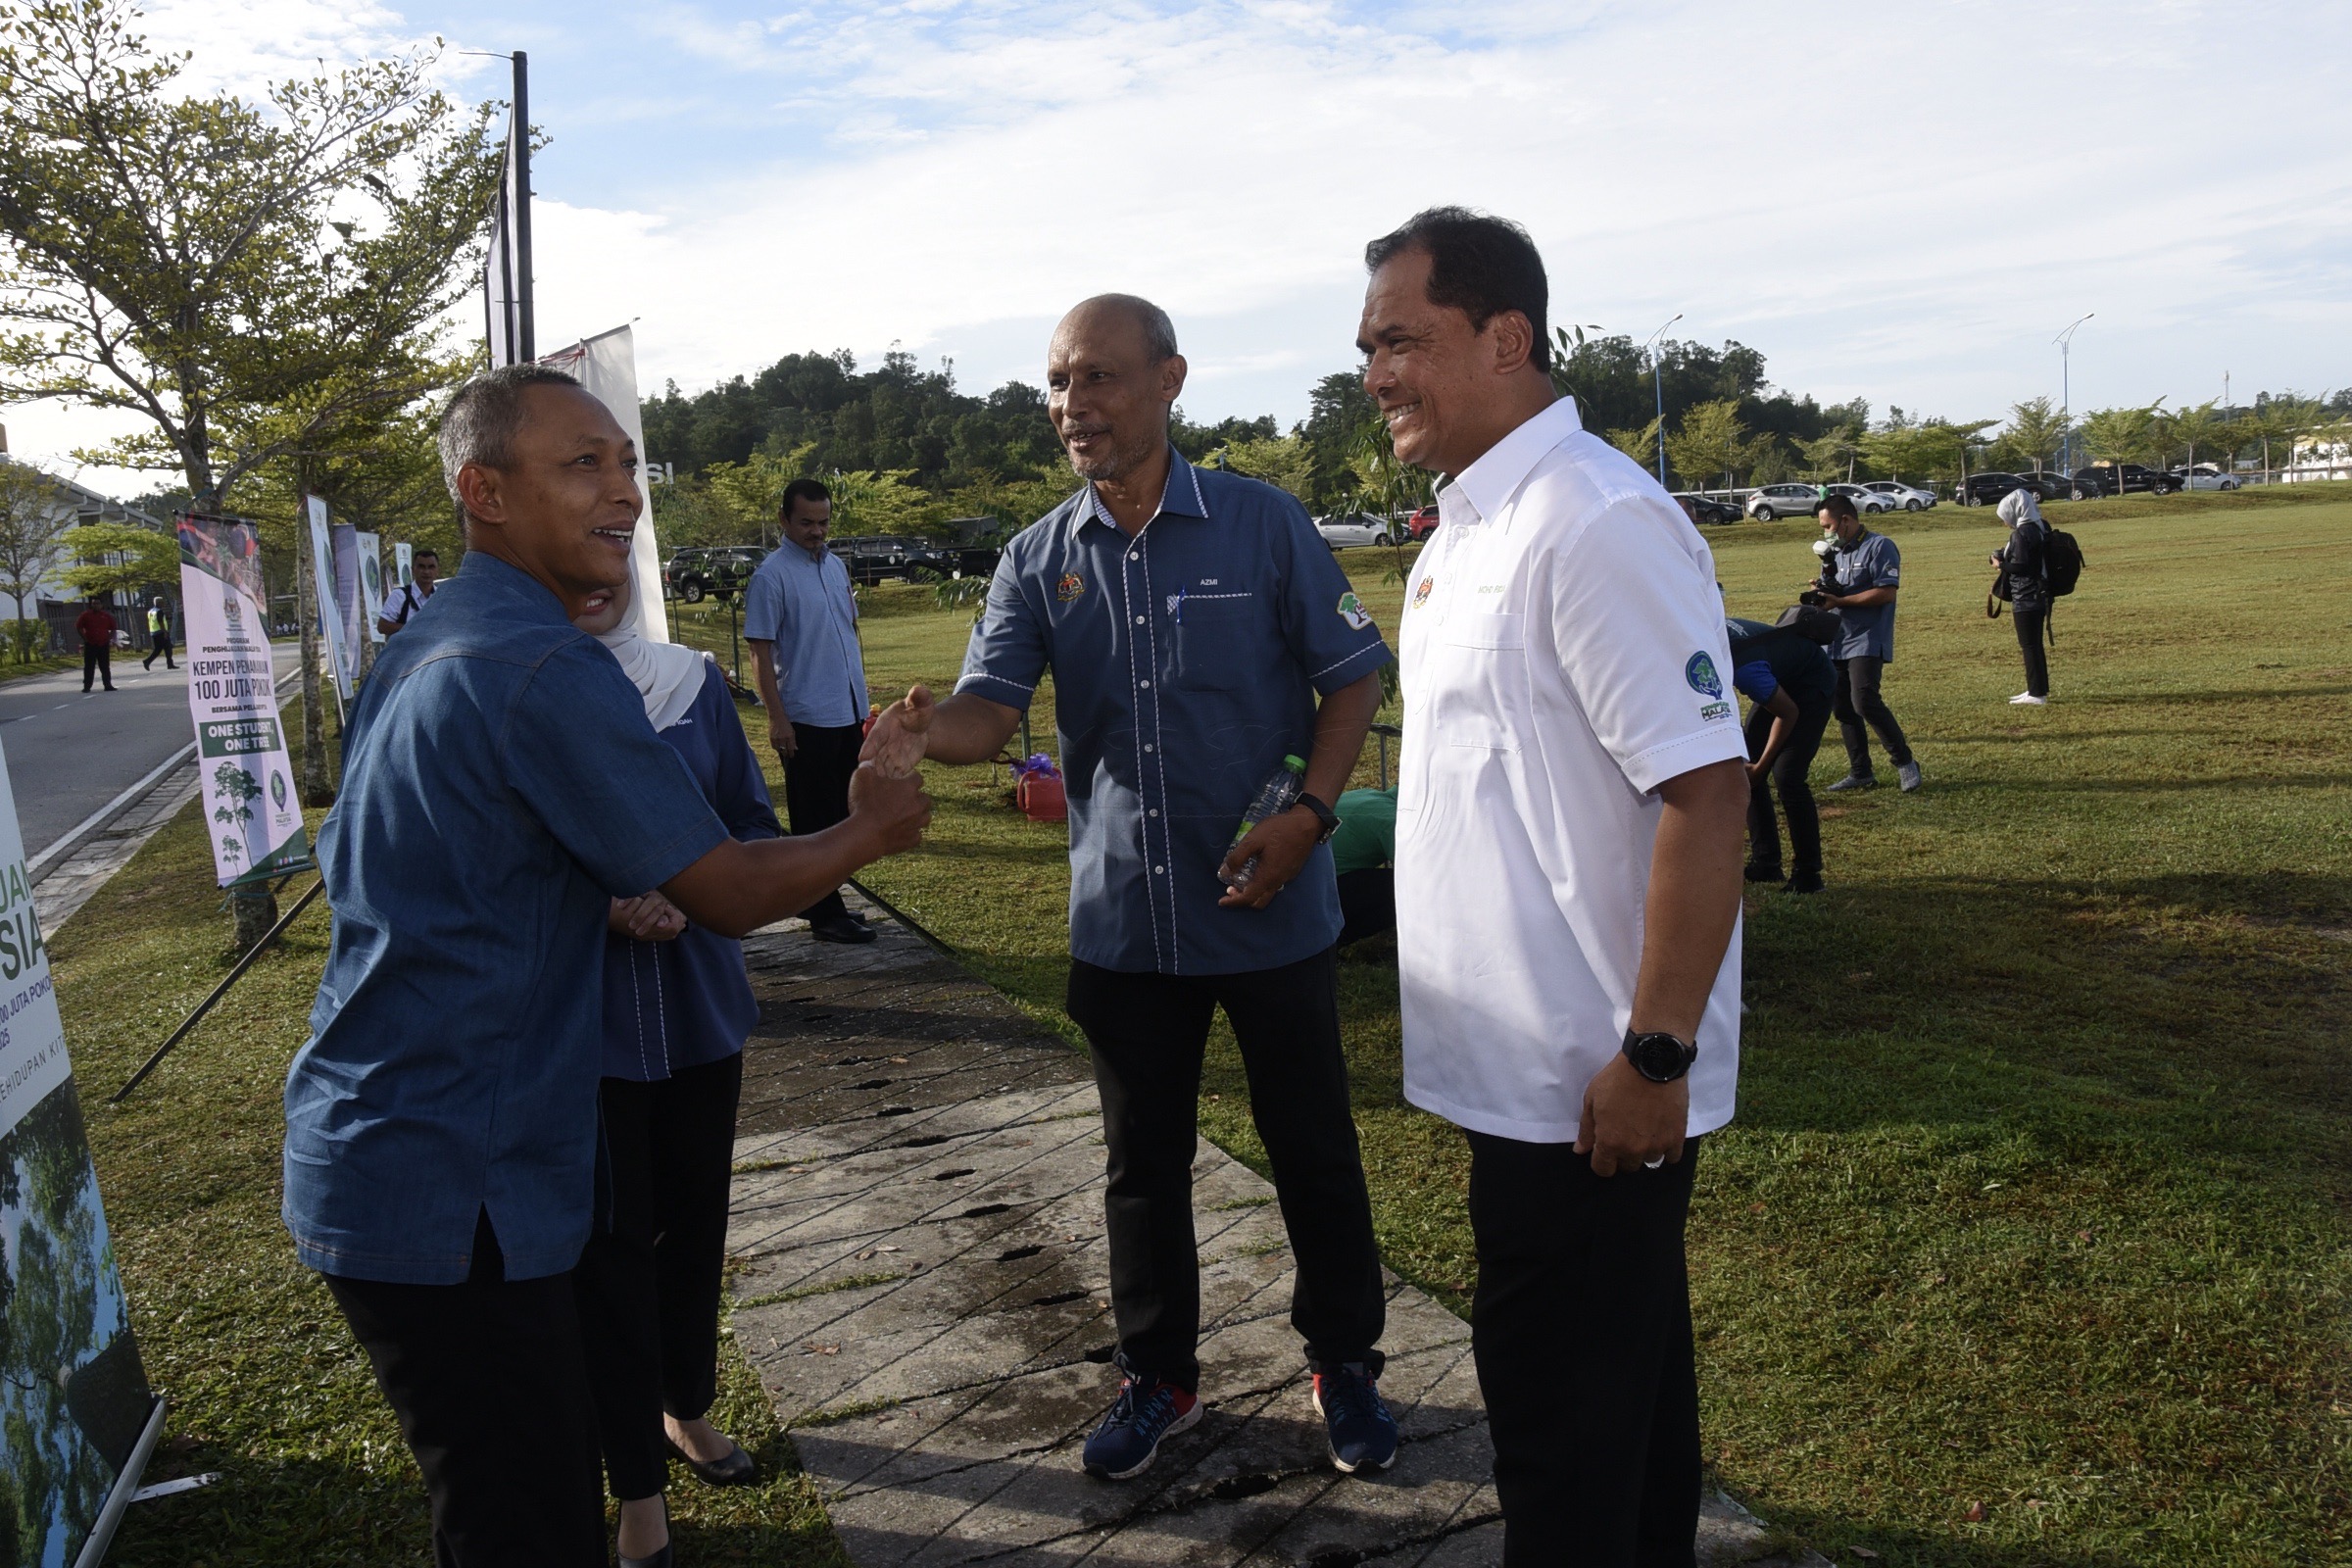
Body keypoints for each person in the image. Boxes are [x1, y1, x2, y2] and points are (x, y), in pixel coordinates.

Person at [281, 363, 931, 1568]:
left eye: (628, 463)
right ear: (483, 492)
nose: (623, 491)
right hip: (448, 1174)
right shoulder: (535, 663)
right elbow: (726, 889)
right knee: (526, 1529)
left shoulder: (437, 640)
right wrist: (867, 828)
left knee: (512, 1504)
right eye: (583, 463)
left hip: (401, 1140)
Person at [863, 293, 1399, 1482]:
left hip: (1268, 905)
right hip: (1126, 920)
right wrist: (920, 730)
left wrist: (1313, 814)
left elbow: (1354, 676)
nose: (1073, 404)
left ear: (1170, 379)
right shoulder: (1038, 557)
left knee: (1312, 1147)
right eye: (1058, 382)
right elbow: (988, 712)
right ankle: (1159, 1374)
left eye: (1098, 376)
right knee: (1140, 1169)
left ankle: (1345, 1360)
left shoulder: (1261, 523)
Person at [1362, 207, 1750, 1565]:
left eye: (1402, 340)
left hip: (1592, 1090)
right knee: (1619, 1417)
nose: (1376, 375)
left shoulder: (1592, 520)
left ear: (1506, 337)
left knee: (1562, 1446)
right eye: (1367, 348)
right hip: (1521, 1083)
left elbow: (1708, 797)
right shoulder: (1464, 531)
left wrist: (1654, 1055)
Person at [566, 562, 778, 1568]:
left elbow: (753, 824)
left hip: (699, 1013)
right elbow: (493, 862)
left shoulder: (691, 686)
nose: (596, 583)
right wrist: (600, 907)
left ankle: (684, 1405)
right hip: (587, 1029)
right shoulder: (529, 695)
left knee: (695, 1227)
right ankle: (637, 1490)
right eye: (575, 568)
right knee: (609, 1252)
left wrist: (694, 888)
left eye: (612, 563)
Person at [744, 479, 876, 946]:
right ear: (783, 520)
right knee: (813, 820)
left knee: (842, 814)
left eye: (823, 522)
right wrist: (776, 719)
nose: (817, 531)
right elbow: (759, 653)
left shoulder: (836, 566)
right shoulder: (771, 576)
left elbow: (845, 633)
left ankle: (821, 898)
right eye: (806, 523)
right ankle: (823, 914)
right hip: (805, 717)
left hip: (847, 710)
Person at [1810, 493, 1921, 793]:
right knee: (1843, 708)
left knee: (1865, 701)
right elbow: (1835, 592)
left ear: (1846, 520)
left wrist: (1841, 601)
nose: (1826, 532)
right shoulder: (1834, 553)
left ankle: (1905, 761)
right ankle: (1861, 772)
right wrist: (1822, 592)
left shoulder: (1880, 546)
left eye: (1829, 526)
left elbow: (1886, 592)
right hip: (1836, 639)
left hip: (1867, 638)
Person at [1727, 616, 1836, 894]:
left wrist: (1761, 767)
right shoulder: (1711, 633)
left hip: (1811, 682)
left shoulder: (1744, 668)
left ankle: (1809, 875)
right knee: (1747, 764)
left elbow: (1788, 712)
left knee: (1788, 776)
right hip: (1781, 676)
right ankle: (1766, 863)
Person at [1991, 488, 2051, 705]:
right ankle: (2036, 689)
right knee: (2035, 645)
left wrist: (1999, 564)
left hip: (2025, 596)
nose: (2005, 522)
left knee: (2029, 645)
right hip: (2040, 594)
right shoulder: (2040, 527)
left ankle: (2036, 694)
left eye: (2006, 516)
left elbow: (2021, 566)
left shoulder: (2020, 534)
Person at [1329, 785, 1397, 946]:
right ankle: (1334, 941)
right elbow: (1417, 875)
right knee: (1400, 889)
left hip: (1302, 886)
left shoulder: (1369, 795)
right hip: (1324, 897)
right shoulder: (1392, 820)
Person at [378, 546, 440, 635]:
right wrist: (415, 628)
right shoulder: (399, 595)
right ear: (413, 569)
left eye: (431, 567)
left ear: (438, 570)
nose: (426, 571)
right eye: (421, 567)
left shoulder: (441, 596)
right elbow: (382, 626)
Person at [75, 597, 116, 692]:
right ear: (91, 605)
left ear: (101, 605)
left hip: (103, 644)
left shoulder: (106, 616)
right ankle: (87, 686)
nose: (96, 605)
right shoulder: (85, 615)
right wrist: (85, 638)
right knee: (89, 666)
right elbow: (78, 627)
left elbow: (113, 628)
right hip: (90, 644)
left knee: (105, 666)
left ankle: (107, 685)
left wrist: (108, 639)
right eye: (94, 603)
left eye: (98, 603)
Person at [142, 599, 176, 670]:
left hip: (154, 632)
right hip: (161, 632)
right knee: (166, 648)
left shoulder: (151, 611)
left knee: (162, 649)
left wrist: (167, 618)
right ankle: (148, 661)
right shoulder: (159, 611)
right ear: (159, 603)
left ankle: (169, 664)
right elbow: (160, 622)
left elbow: (154, 620)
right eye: (162, 602)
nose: (163, 604)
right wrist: (165, 632)